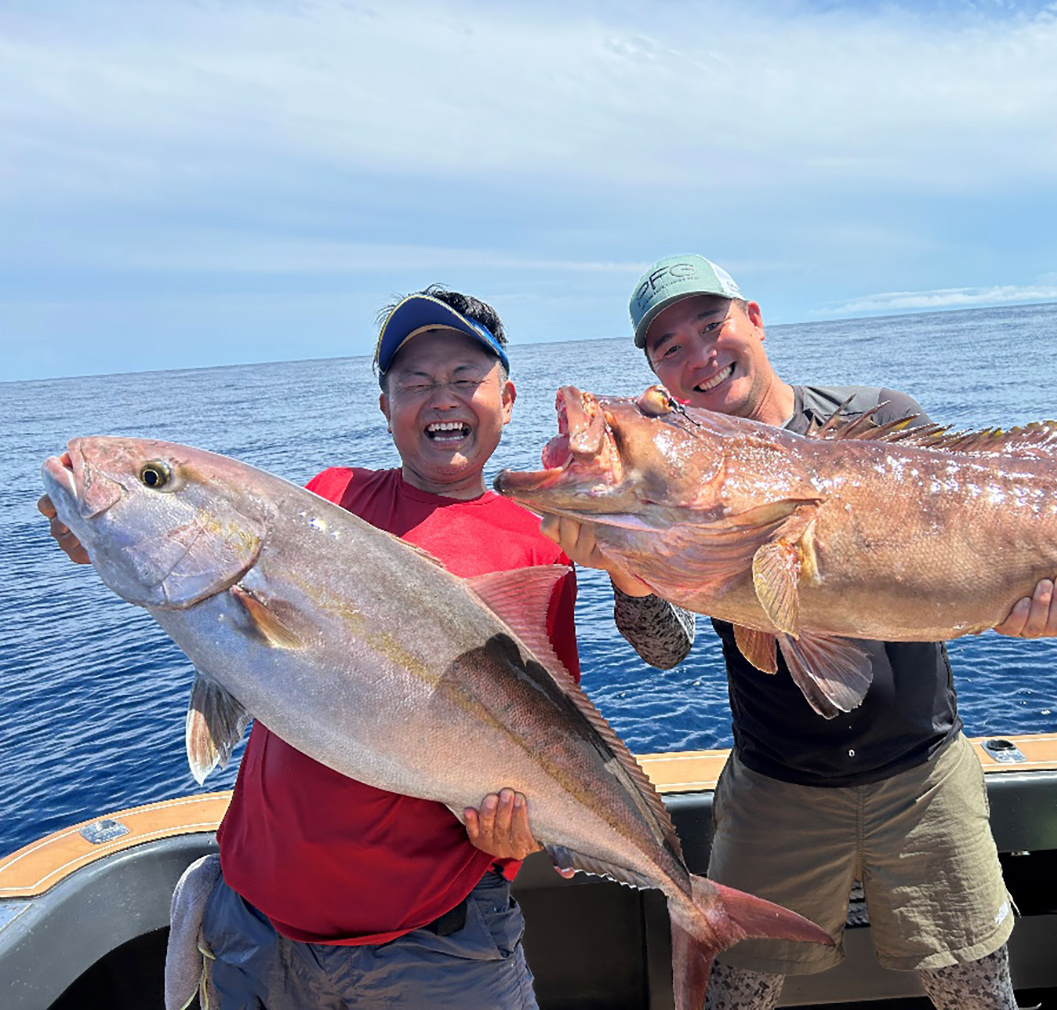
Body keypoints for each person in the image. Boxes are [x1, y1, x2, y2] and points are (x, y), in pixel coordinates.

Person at [38, 285, 688, 1010]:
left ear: (507, 400)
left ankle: (695, 906)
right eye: (415, 382)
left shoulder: (542, 540)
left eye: (465, 379)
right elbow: (215, 617)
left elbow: (561, 719)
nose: (441, 398)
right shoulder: (332, 498)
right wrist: (106, 537)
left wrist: (522, 836)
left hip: (436, 949)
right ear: (385, 408)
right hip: (255, 928)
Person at [553, 254, 1057, 1010]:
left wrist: (1032, 609)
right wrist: (626, 564)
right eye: (669, 348)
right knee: (732, 995)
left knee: (978, 996)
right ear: (657, 374)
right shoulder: (665, 486)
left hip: (924, 778)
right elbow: (666, 650)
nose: (700, 356)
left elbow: (972, 546)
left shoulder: (876, 421)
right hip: (776, 790)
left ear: (756, 320)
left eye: (712, 326)